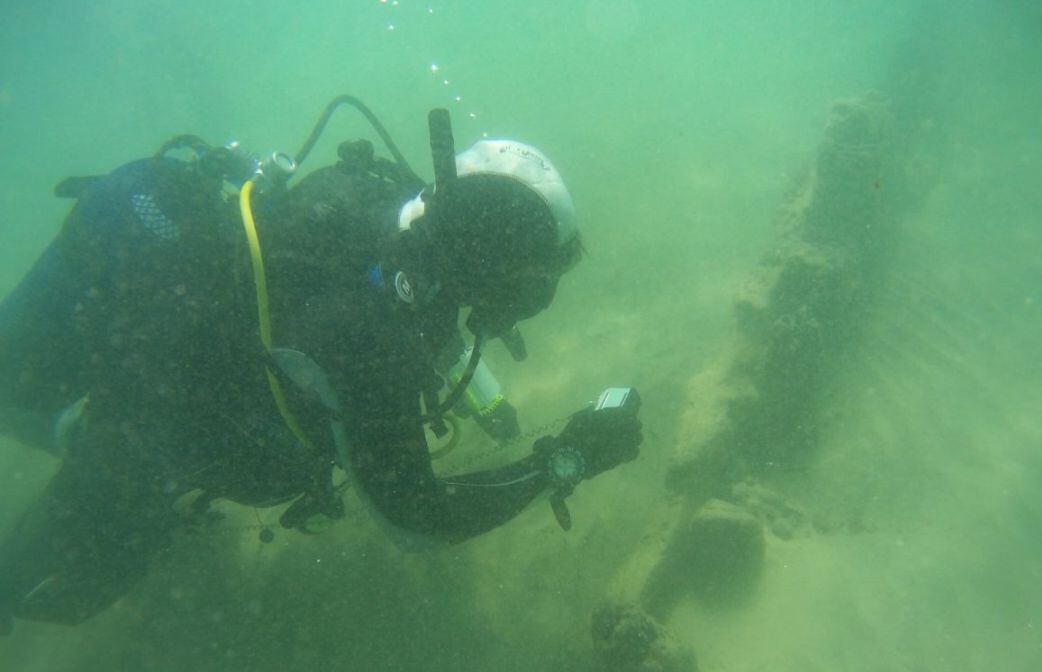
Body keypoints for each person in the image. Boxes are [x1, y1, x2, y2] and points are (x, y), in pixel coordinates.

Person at [0, 99, 643, 632]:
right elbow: (418, 519)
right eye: (530, 288)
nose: (528, 307)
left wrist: (488, 398)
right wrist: (564, 459)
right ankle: (70, 445)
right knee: (48, 590)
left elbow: (421, 311)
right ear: (484, 258)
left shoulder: (396, 210)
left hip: (175, 360)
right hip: (148, 429)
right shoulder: (369, 336)